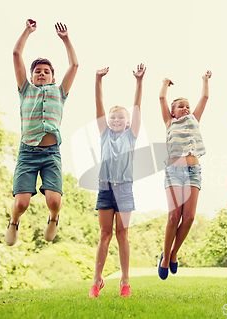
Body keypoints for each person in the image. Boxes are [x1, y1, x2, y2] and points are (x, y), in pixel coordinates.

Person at [6, 19, 78, 246]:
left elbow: (74, 66)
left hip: (51, 154)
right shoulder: (25, 90)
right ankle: (14, 221)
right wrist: (28, 31)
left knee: (54, 201)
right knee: (21, 204)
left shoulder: (60, 92)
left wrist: (66, 40)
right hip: (27, 152)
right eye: (37, 71)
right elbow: (17, 54)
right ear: (31, 75)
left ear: (53, 77)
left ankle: (54, 218)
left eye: (46, 71)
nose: (41, 74)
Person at [89, 64, 146, 298]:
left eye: (120, 117)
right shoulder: (104, 135)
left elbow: (137, 106)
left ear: (128, 121)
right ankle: (96, 281)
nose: (115, 119)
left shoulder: (131, 136)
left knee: (122, 234)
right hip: (104, 188)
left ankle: (125, 281)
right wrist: (98, 79)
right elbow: (98, 105)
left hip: (124, 190)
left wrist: (139, 82)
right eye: (112, 117)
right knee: (105, 234)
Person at [158, 71, 212, 280]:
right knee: (174, 216)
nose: (186, 109)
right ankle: (165, 258)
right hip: (174, 171)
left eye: (188, 106)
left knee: (188, 218)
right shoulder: (169, 123)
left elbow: (205, 98)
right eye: (181, 106)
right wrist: (165, 83)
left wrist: (205, 80)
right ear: (172, 112)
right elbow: (161, 98)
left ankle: (173, 252)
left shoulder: (194, 119)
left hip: (193, 171)